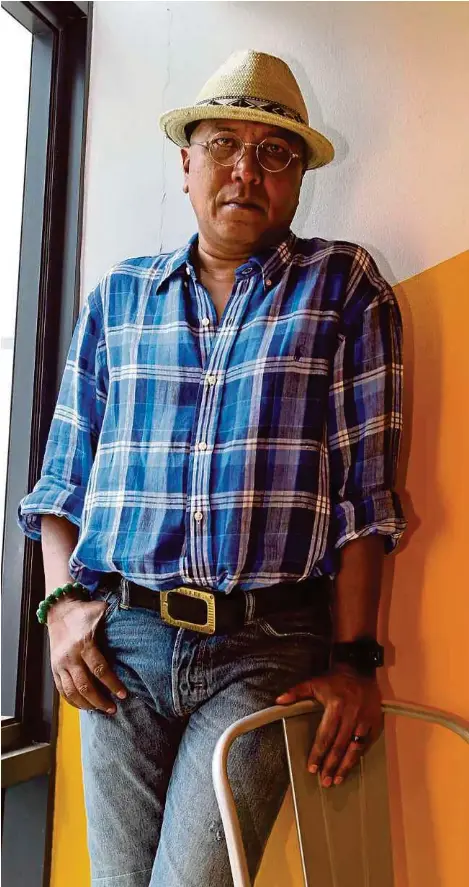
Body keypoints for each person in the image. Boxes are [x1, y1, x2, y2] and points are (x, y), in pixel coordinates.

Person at [18, 49, 406, 887]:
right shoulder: (118, 298)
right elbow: (60, 483)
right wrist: (59, 608)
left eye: (274, 152)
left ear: (297, 178)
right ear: (185, 162)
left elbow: (363, 498)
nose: (245, 170)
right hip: (119, 643)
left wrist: (354, 662)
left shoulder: (342, 286)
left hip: (264, 648)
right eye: (222, 144)